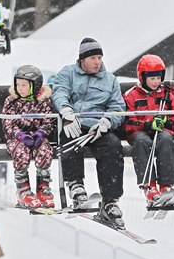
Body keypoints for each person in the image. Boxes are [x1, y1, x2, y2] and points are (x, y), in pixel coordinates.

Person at [52, 38, 126, 227]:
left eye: (100, 57)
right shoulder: (68, 73)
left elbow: (117, 106)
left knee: (113, 146)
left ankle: (110, 200)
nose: (97, 61)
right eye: (93, 57)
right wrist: (67, 113)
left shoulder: (110, 80)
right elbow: (59, 93)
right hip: (74, 122)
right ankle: (76, 186)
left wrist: (106, 122)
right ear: (82, 59)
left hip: (97, 127)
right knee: (70, 138)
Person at [123, 54, 174, 205]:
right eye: (152, 78)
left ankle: (166, 185)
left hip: (161, 133)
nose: (156, 82)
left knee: (167, 139)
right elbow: (128, 122)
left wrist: (166, 121)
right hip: (140, 134)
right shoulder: (131, 96)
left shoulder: (167, 94)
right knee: (141, 141)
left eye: (158, 77)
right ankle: (149, 186)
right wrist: (148, 124)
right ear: (142, 77)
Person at [2, 65, 56, 208]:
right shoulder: (12, 101)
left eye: (24, 85)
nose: (20, 88)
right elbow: (7, 122)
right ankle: (23, 190)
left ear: (35, 85)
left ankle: (43, 188)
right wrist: (18, 134)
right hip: (16, 138)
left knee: (44, 150)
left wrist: (41, 133)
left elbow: (49, 121)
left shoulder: (43, 101)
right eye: (18, 84)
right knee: (21, 152)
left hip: (37, 137)